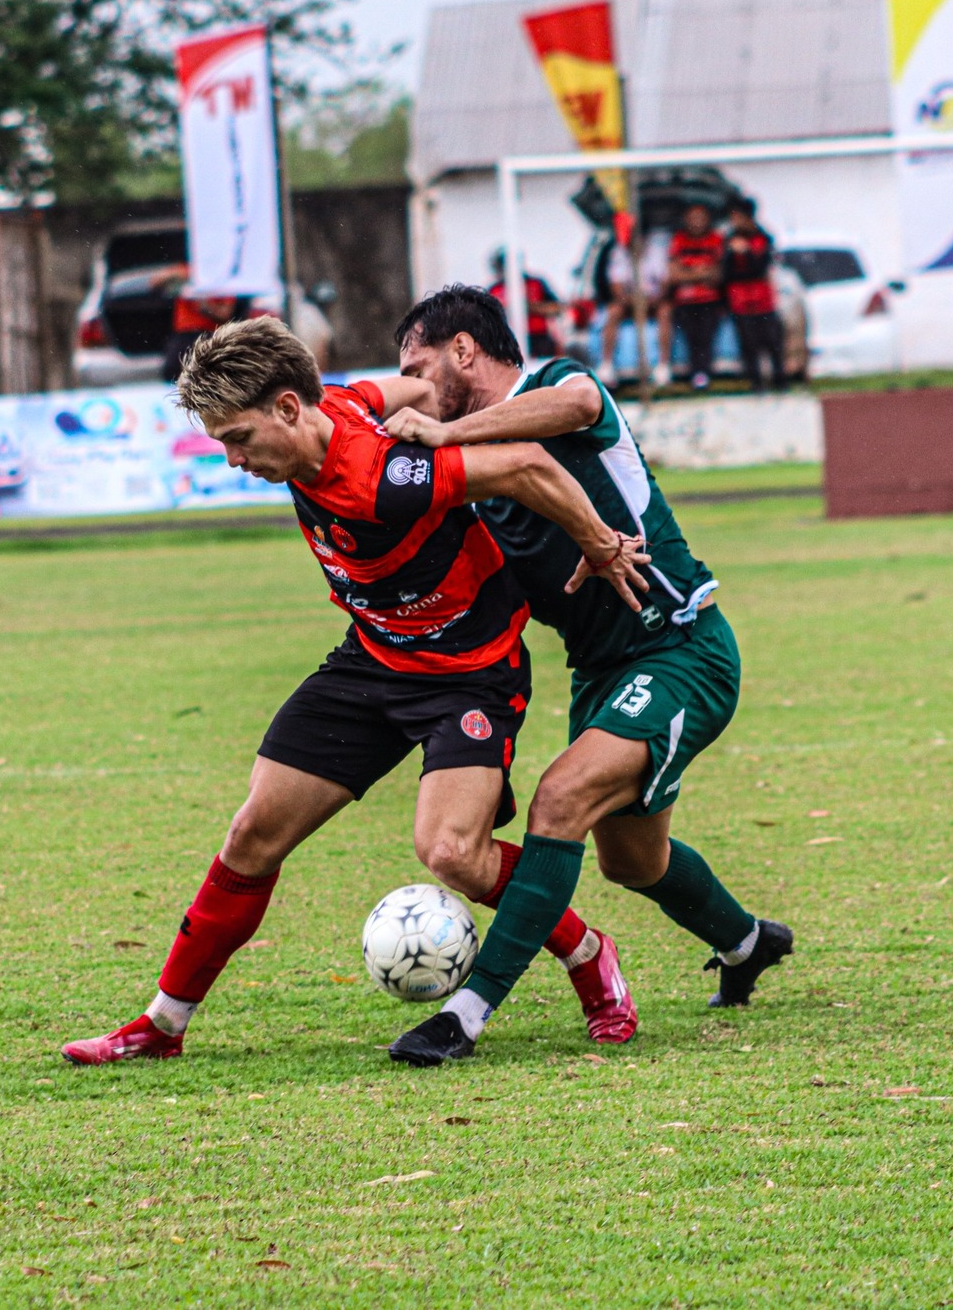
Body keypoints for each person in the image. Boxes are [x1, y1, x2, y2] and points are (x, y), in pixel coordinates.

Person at [61, 317, 648, 1067]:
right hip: (371, 660)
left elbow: (528, 465)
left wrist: (600, 545)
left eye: (238, 438)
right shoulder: (338, 402)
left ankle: (587, 950)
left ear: (286, 409)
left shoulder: (382, 477)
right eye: (220, 444)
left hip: (468, 670)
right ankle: (160, 1026)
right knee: (251, 835)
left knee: (452, 855)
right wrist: (426, 401)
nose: (234, 460)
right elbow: (409, 386)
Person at [384, 285, 793, 1063]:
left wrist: (442, 430)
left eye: (419, 364)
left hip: (683, 649)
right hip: (602, 672)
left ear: (463, 350)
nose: (413, 382)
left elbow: (571, 410)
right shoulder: (481, 479)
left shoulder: (559, 382)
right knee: (631, 859)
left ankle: (464, 1015)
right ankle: (747, 943)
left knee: (561, 797)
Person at [723, 199, 787, 393]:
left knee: (772, 342)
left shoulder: (764, 238)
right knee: (748, 344)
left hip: (763, 300)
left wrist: (747, 253)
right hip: (740, 301)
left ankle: (780, 379)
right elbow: (727, 272)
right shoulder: (729, 240)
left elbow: (760, 268)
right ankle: (756, 382)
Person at [588, 232, 668, 386]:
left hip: (652, 302)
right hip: (629, 303)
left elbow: (664, 286)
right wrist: (634, 302)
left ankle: (663, 365)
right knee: (613, 311)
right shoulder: (619, 254)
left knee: (665, 311)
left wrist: (649, 301)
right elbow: (616, 289)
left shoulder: (656, 253)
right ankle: (606, 364)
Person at [659, 205, 725, 390]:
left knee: (706, 336)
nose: (697, 222)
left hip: (709, 300)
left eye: (700, 217)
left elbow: (717, 274)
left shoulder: (715, 239)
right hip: (685, 301)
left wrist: (688, 272)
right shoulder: (679, 240)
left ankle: (703, 373)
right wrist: (701, 273)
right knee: (691, 337)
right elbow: (674, 275)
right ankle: (695, 373)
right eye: (693, 218)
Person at [488, 249, 562, 361]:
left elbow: (557, 308)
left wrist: (528, 307)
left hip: (539, 340)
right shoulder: (494, 290)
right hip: (507, 342)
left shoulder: (536, 283)